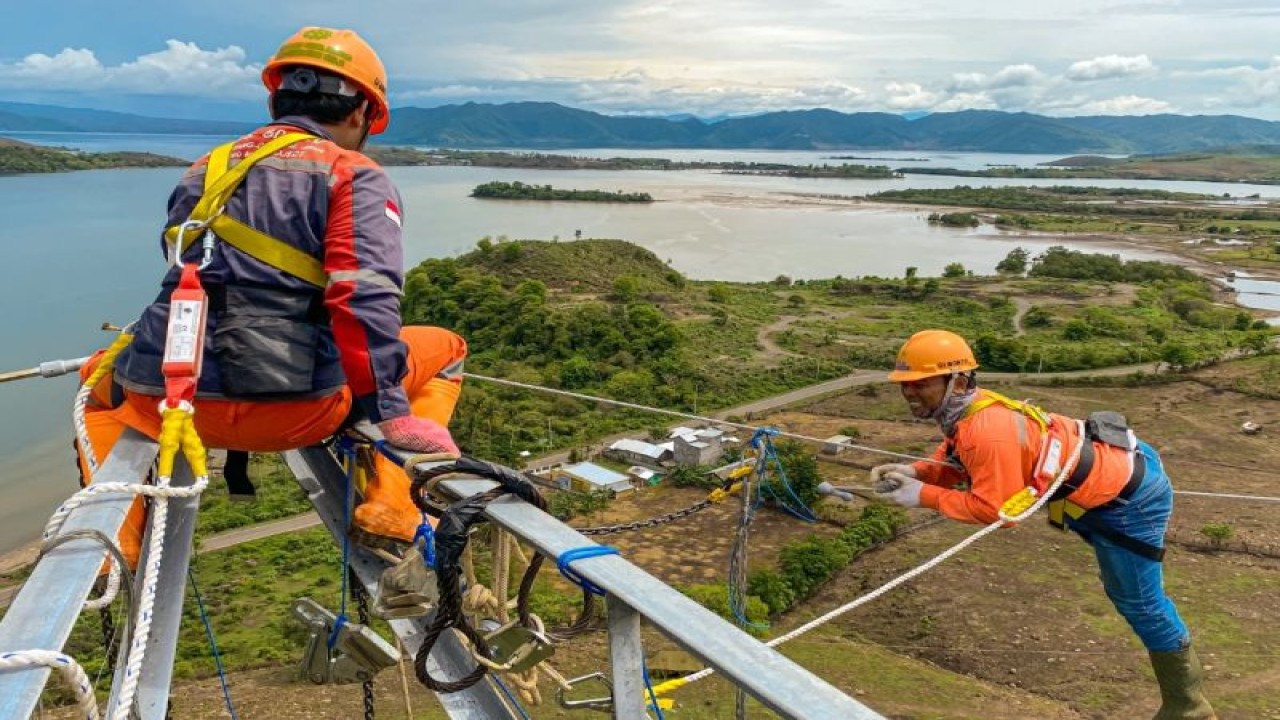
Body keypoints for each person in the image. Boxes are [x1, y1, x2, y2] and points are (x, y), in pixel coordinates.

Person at [76, 26, 466, 564]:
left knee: (94, 381)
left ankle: (111, 542)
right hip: (295, 410)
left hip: (168, 400)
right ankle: (395, 504)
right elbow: (363, 298)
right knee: (448, 348)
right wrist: (389, 414)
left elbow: (190, 271)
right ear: (362, 115)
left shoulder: (206, 168)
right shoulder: (352, 173)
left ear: (275, 97)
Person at [872, 329, 1214, 720]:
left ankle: (1188, 707)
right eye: (906, 385)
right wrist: (917, 471)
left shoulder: (987, 430)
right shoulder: (969, 412)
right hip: (1111, 473)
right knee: (1126, 594)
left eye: (921, 384)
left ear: (959, 381)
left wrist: (921, 494)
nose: (911, 393)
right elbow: (958, 460)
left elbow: (997, 511)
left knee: (1139, 603)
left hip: (1130, 501)